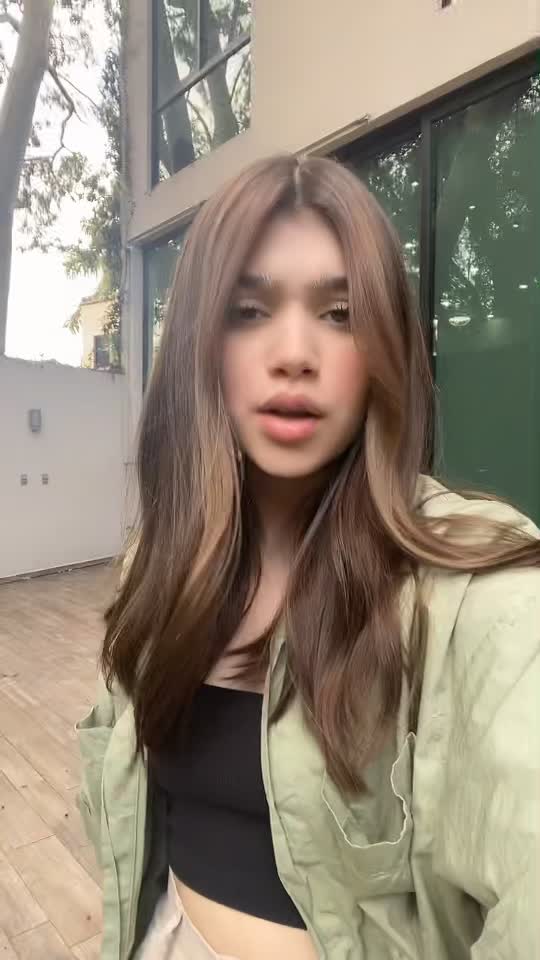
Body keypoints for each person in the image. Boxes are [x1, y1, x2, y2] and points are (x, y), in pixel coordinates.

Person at [76, 154, 540, 960]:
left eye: (340, 314)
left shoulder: (477, 588)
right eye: (249, 310)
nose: (294, 352)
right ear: (200, 346)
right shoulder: (159, 559)